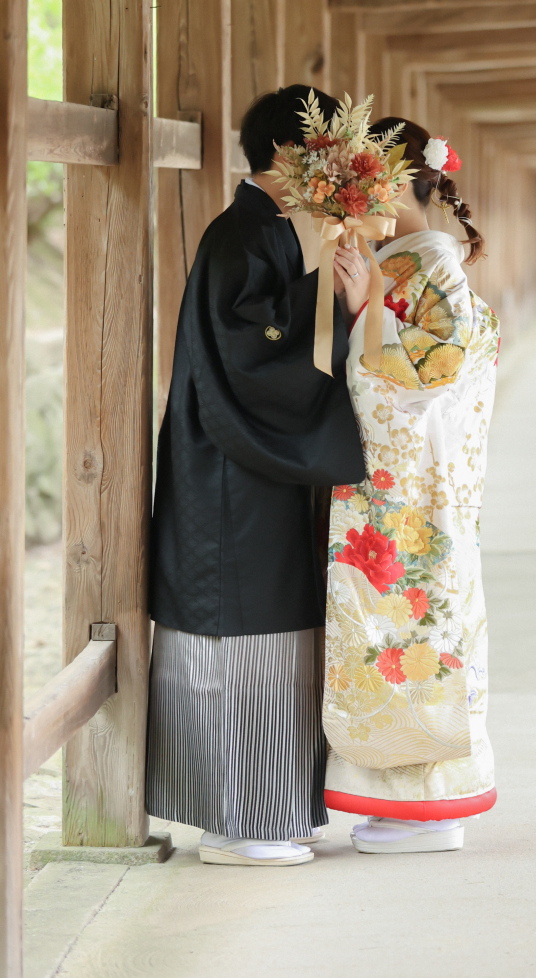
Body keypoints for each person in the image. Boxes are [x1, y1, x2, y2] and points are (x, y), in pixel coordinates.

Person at [145, 84, 366, 867]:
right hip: (231, 465)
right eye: (327, 148)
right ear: (285, 152)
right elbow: (252, 354)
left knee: (281, 623)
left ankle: (278, 808)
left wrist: (336, 298)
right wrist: (342, 309)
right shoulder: (239, 236)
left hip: (261, 456)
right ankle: (238, 821)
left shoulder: (272, 231)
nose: (339, 164)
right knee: (241, 621)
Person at [322, 117, 500, 854]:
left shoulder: (432, 267)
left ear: (394, 184)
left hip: (413, 496)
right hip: (408, 489)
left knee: (412, 633)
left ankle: (428, 804)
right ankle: (399, 799)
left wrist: (367, 312)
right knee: (398, 633)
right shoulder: (416, 261)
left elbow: (435, 374)